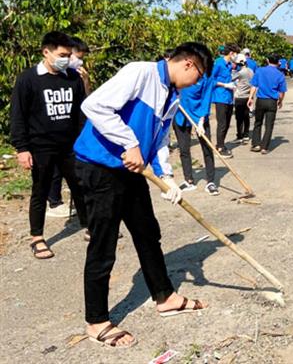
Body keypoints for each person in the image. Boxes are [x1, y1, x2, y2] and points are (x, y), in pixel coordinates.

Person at [73, 42, 212, 348]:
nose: (197, 83)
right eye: (199, 76)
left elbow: (160, 140)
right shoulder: (141, 73)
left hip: (132, 171)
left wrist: (167, 178)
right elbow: (94, 106)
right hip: (100, 167)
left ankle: (165, 296)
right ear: (189, 64)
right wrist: (128, 143)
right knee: (104, 243)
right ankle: (96, 321)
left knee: (148, 233)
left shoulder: (172, 95)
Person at [10, 31, 89, 259]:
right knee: (40, 190)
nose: (66, 58)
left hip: (70, 146)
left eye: (68, 54)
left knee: (80, 186)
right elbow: (18, 115)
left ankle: (89, 227)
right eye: (62, 54)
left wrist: (82, 139)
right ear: (46, 52)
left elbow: (80, 112)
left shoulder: (72, 77)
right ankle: (37, 237)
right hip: (40, 147)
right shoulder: (28, 79)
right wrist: (21, 148)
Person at [47, 36, 92, 218]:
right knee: (54, 170)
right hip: (52, 132)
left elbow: (87, 102)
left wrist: (86, 82)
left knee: (74, 172)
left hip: (72, 130)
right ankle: (54, 202)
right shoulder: (47, 75)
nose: (75, 61)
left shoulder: (76, 76)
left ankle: (83, 212)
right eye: (73, 56)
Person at [173, 70, 218, 196]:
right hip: (181, 113)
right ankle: (189, 180)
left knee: (207, 147)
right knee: (184, 149)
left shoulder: (207, 75)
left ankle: (210, 182)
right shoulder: (181, 71)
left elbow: (207, 98)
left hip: (199, 114)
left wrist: (201, 120)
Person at [248, 54, 287, 154]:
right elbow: (282, 92)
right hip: (272, 101)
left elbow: (254, 85)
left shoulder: (260, 70)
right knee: (269, 125)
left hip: (261, 100)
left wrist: (250, 97)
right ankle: (264, 147)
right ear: (278, 62)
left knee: (258, 122)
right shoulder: (280, 74)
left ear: (267, 60)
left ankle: (256, 144)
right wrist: (280, 101)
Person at [210, 44, 239, 158]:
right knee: (222, 123)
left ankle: (221, 143)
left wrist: (232, 84)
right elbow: (210, 79)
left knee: (227, 123)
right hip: (220, 97)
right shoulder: (219, 63)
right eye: (236, 54)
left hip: (229, 98)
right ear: (231, 53)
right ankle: (219, 147)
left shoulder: (228, 65)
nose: (236, 57)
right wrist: (225, 85)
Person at [232, 53, 254, 143]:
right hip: (248, 96)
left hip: (240, 97)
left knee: (239, 118)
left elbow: (231, 79)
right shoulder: (251, 71)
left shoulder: (240, 73)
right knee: (246, 117)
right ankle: (246, 135)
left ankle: (239, 136)